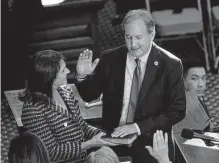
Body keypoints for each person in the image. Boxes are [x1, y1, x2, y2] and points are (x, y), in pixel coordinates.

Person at [75, 9, 186, 163]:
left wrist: (137, 127)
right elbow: (89, 95)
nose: (133, 44)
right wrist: (82, 76)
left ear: (152, 34)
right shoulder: (110, 58)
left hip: (151, 144)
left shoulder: (170, 65)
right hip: (112, 139)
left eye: (138, 37)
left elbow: (177, 110)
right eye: (128, 37)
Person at [21, 50, 116, 163]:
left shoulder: (65, 90)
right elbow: (50, 153)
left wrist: (106, 135)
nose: (68, 71)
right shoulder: (33, 110)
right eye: (63, 70)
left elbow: (81, 126)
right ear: (50, 77)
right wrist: (89, 144)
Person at [182, 59, 214, 130]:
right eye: (194, 79)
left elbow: (207, 134)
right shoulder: (172, 106)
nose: (201, 84)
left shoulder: (202, 105)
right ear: (183, 80)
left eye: (203, 78)